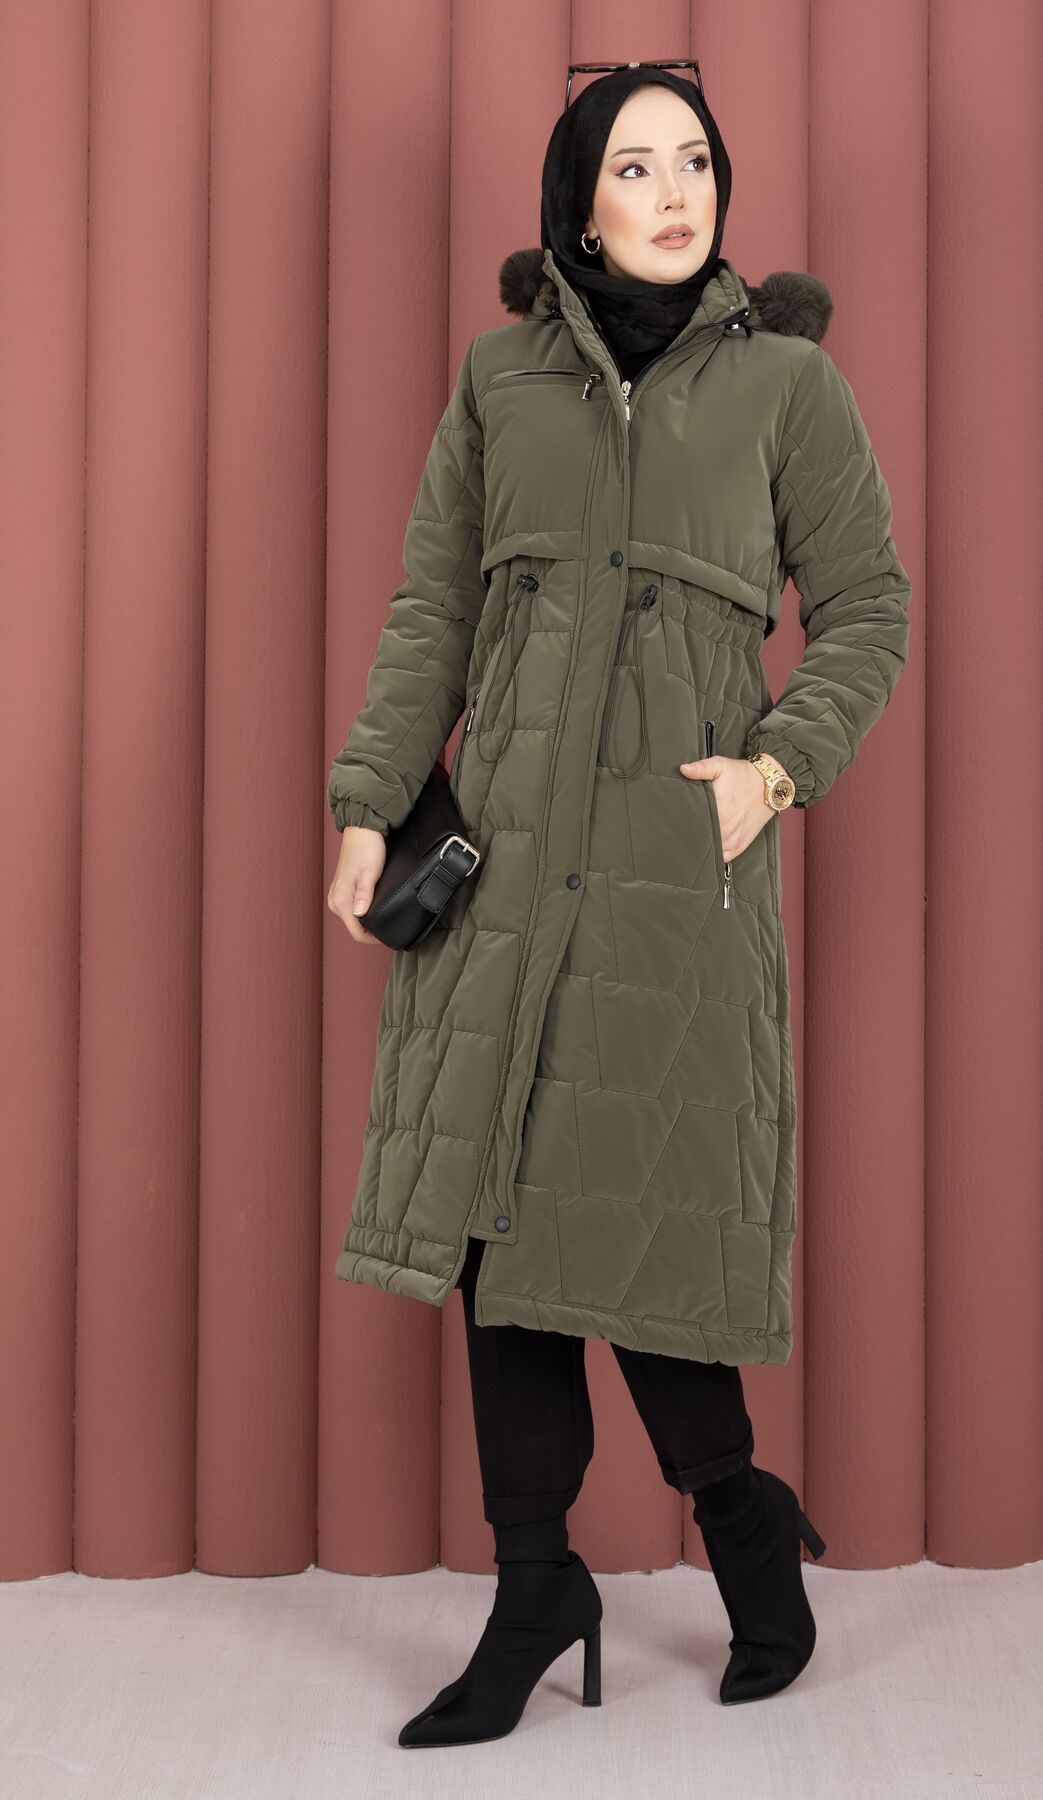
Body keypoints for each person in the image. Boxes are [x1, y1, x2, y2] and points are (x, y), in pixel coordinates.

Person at [327, 63, 911, 1748]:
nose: (675, 192)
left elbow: (868, 607)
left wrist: (774, 769)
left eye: (697, 163)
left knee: (641, 1223)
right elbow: (432, 607)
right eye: (636, 166)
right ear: (577, 200)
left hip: (673, 874)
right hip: (505, 865)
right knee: (496, 1232)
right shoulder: (500, 379)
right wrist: (369, 802)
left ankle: (738, 1515)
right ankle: (536, 1586)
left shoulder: (790, 385)